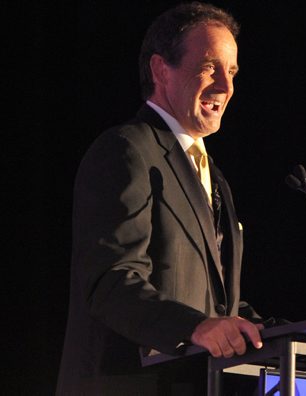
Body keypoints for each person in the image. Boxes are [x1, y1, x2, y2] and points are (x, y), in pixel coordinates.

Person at [56, 2, 265, 395]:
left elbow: (217, 305)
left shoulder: (213, 176)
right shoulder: (126, 150)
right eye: (209, 68)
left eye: (232, 71)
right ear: (159, 69)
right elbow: (111, 280)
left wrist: (279, 336)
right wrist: (194, 327)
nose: (225, 85)